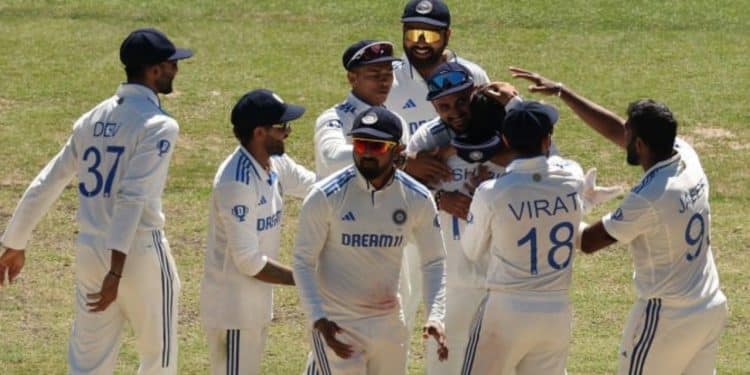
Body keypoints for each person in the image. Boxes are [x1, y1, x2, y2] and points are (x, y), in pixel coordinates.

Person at [512, 67, 729, 374]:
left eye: (629, 133)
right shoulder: (685, 154)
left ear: (639, 144)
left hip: (667, 319)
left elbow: (588, 242)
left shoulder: (649, 197)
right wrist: (563, 91)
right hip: (709, 306)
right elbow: (617, 130)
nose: (622, 135)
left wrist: (574, 205)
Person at [0, 28, 191, 374]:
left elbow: (49, 180)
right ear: (153, 70)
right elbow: (132, 199)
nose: (176, 70)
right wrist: (116, 271)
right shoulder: (159, 126)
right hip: (136, 253)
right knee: (158, 361)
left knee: (88, 364)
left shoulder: (91, 120)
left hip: (90, 252)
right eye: (171, 64)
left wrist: (15, 241)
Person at [294, 107, 448, 374]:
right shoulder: (325, 196)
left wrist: (436, 315)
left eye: (375, 146)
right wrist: (318, 319)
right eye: (360, 143)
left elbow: (434, 262)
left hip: (389, 324)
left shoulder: (417, 198)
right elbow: (303, 262)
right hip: (338, 324)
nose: (365, 152)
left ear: (398, 150)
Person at [404, 61, 517, 374]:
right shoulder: (427, 141)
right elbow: (402, 199)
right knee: (444, 365)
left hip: (503, 278)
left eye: (461, 101)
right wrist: (441, 199)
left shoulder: (509, 129)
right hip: (451, 281)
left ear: (475, 93)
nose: (455, 112)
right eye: (444, 106)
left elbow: (543, 169)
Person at [459, 101, 587, 374]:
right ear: (547, 139)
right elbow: (558, 165)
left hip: (506, 308)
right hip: (556, 309)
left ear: (505, 140)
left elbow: (471, 250)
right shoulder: (573, 177)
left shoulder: (491, 192)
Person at [199, 89, 316, 375]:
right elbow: (248, 261)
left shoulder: (274, 164)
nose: (288, 132)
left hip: (254, 305)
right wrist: (305, 279)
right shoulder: (235, 183)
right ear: (260, 132)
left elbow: (316, 186)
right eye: (282, 127)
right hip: (233, 311)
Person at [313, 39, 405, 178]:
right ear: (352, 78)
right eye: (375, 74)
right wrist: (387, 153)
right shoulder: (334, 118)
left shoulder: (396, 119)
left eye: (388, 73)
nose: (384, 81)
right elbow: (331, 157)